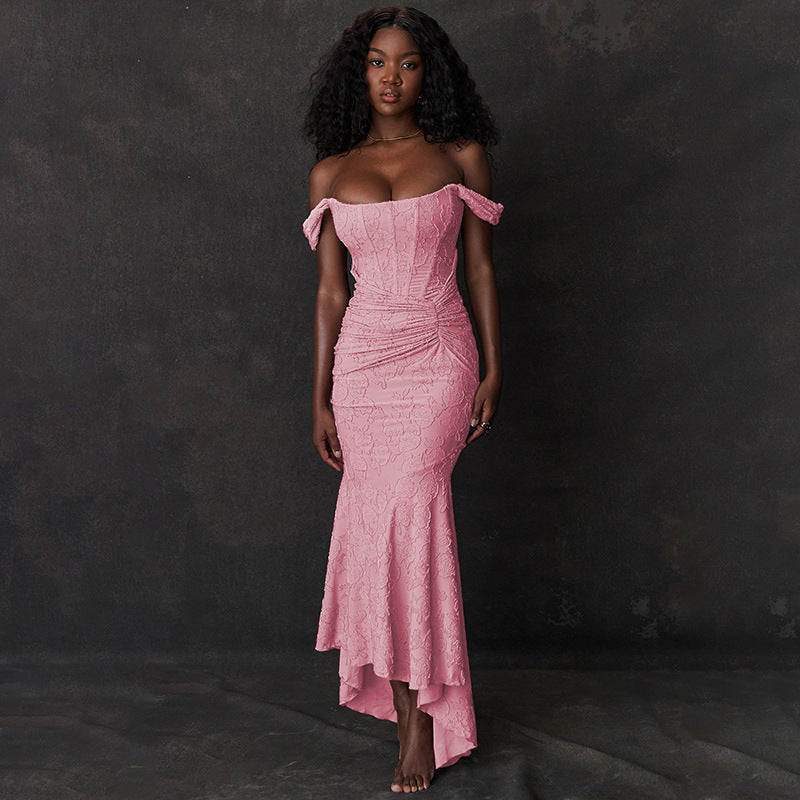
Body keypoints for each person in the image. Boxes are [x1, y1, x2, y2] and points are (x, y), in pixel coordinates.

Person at [302, 6, 503, 793]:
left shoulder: (461, 156)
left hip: (439, 355)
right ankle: (407, 707)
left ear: (430, 74)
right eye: (377, 62)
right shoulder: (330, 172)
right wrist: (319, 397)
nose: (392, 77)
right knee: (373, 531)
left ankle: (423, 725)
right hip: (362, 368)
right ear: (359, 74)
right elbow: (329, 294)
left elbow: (480, 267)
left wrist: (493, 368)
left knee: (415, 516)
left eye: (408, 63)